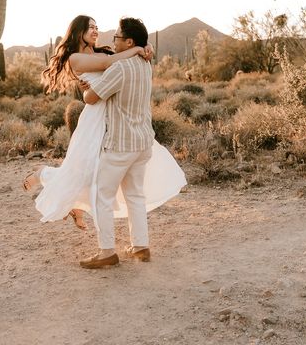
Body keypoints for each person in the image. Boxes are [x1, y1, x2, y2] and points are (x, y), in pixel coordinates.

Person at [22, 15, 187, 251]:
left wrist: (145, 46)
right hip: (95, 117)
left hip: (111, 119)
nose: (96, 31)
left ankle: (78, 209)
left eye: (97, 27)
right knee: (80, 170)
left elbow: (116, 63)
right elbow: (110, 65)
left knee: (94, 175)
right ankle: (42, 174)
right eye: (90, 27)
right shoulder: (76, 58)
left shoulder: (106, 52)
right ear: (78, 31)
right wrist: (140, 48)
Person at [79, 17, 179, 269]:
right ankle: (141, 246)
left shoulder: (119, 69)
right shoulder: (146, 64)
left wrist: (85, 88)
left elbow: (91, 98)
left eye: (117, 37)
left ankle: (106, 251)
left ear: (129, 42)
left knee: (101, 195)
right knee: (135, 195)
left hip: (120, 145)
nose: (113, 40)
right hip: (143, 141)